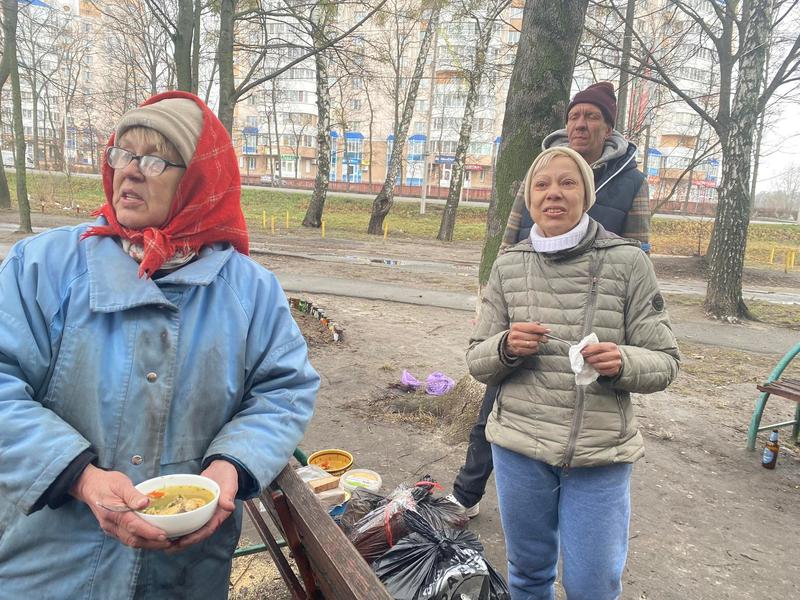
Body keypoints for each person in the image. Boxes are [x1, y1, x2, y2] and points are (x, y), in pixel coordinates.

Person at [0, 91, 319, 599]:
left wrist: (231, 466)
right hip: (49, 565)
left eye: (154, 159)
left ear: (199, 181)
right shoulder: (42, 268)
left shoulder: (250, 290)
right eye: (122, 154)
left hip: (186, 572)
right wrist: (80, 477)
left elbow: (283, 390)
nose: (130, 171)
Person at [466, 146, 679, 599]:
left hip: (600, 455)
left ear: (587, 193)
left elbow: (665, 361)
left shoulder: (628, 263)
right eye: (541, 185)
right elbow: (476, 359)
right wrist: (505, 348)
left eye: (568, 182)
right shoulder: (508, 267)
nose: (553, 194)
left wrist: (622, 362)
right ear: (528, 198)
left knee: (592, 585)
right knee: (527, 574)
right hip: (519, 447)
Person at [449, 81, 650, 516]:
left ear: (608, 126)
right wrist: (491, 309)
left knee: (576, 421)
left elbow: (638, 253)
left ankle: (571, 509)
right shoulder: (536, 175)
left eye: (591, 116)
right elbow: (508, 244)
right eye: (575, 116)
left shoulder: (630, 181)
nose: (581, 124)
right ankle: (466, 495)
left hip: (590, 324)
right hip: (528, 308)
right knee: (495, 412)